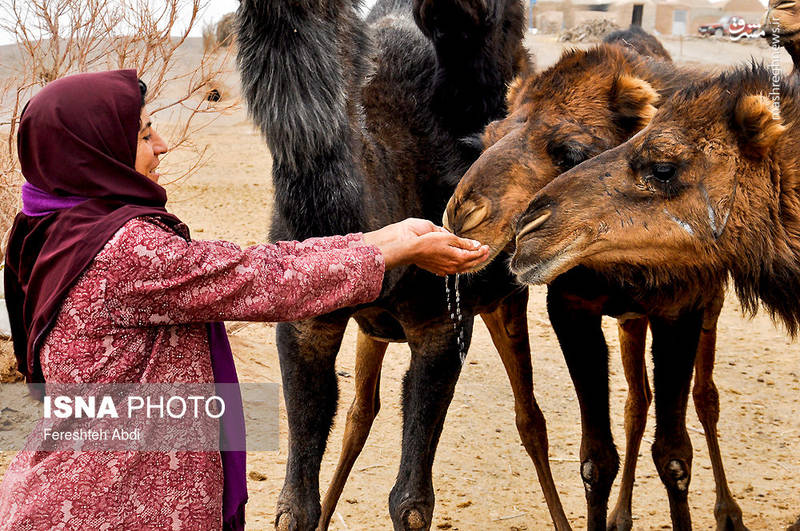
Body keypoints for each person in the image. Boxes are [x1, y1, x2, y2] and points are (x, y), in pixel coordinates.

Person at [0, 70, 489, 530]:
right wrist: (394, 248)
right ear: (96, 151)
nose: (162, 146)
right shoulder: (125, 250)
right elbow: (261, 281)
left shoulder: (56, 225)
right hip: (110, 503)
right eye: (145, 136)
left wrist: (383, 240)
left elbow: (252, 266)